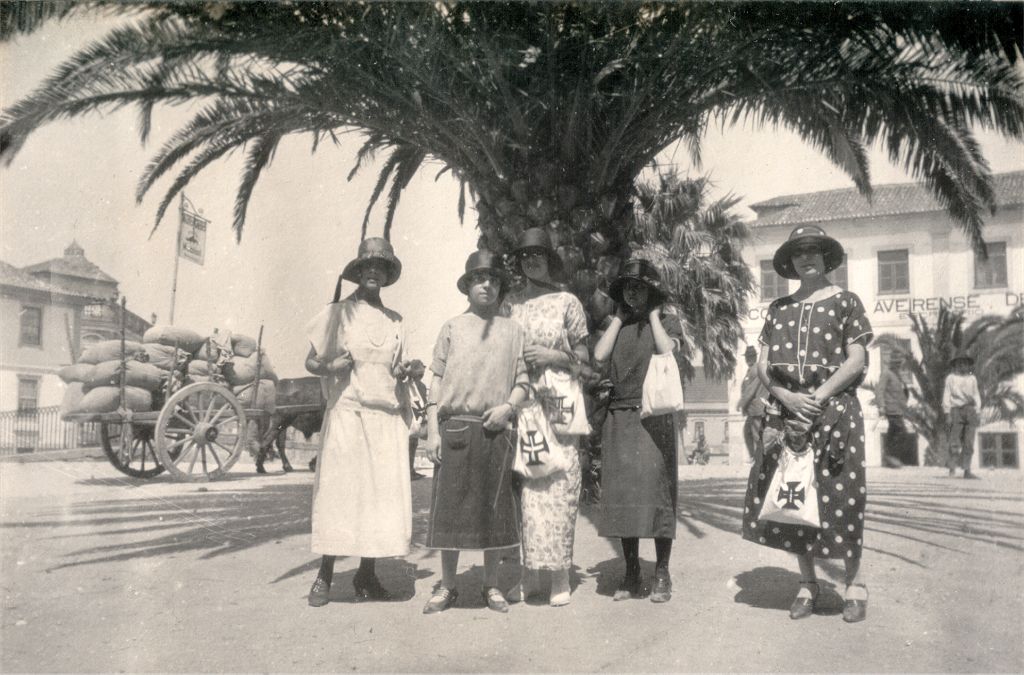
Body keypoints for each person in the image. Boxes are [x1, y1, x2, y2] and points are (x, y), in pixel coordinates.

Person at [741, 225, 873, 624]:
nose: (806, 258)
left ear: (826, 257)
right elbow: (763, 365)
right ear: (790, 262)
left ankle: (854, 584)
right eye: (798, 252)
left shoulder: (846, 302)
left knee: (841, 496)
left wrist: (818, 396)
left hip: (835, 414)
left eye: (814, 250)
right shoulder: (779, 308)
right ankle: (807, 583)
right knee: (793, 496)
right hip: (789, 414)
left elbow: (856, 359)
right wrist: (785, 397)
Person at [304, 237, 413, 607]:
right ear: (358, 271)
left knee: (379, 499)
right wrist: (331, 365)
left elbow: (397, 367)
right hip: (348, 414)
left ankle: (366, 576)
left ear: (387, 275)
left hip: (385, 417)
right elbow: (311, 361)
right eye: (368, 266)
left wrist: (406, 370)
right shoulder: (337, 313)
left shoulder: (396, 321)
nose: (374, 272)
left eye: (381, 267)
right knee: (339, 495)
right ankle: (324, 576)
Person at [421, 249, 531, 614]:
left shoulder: (513, 331)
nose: (487, 285)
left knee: (494, 514)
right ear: (468, 286)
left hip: (496, 429)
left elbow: (523, 382)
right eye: (479, 279)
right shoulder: (452, 327)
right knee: (450, 513)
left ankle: (491, 585)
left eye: (494, 280)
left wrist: (508, 408)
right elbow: (435, 380)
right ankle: (448, 586)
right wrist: (433, 431)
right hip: (455, 427)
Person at [504, 227, 590, 607]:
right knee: (529, 485)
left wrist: (554, 356)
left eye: (537, 254)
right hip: (525, 403)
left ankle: (559, 576)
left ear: (549, 259)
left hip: (559, 404)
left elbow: (585, 360)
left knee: (561, 483)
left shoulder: (567, 302)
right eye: (525, 256)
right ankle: (528, 576)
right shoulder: (511, 305)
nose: (531, 261)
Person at [592, 258, 684, 603]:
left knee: (658, 495)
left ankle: (661, 572)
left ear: (652, 292)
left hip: (653, 419)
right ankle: (632, 572)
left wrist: (655, 315)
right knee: (623, 497)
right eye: (628, 288)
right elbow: (600, 355)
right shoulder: (619, 324)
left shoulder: (667, 322)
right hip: (619, 417)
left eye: (640, 287)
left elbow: (666, 350)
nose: (633, 293)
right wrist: (618, 317)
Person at [943, 352, 982, 479]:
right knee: (954, 441)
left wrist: (978, 410)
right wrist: (947, 413)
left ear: (969, 365)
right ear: (955, 365)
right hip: (956, 411)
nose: (962, 366)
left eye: (965, 363)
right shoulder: (951, 378)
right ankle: (952, 469)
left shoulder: (972, 379)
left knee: (969, 442)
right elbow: (947, 395)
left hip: (970, 410)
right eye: (959, 363)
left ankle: (967, 470)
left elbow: (976, 394)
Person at [876, 353, 911, 467]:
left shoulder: (898, 376)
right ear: (891, 363)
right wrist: (881, 406)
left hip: (899, 409)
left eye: (899, 363)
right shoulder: (886, 373)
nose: (898, 365)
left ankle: (890, 457)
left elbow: (903, 394)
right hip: (891, 408)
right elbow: (879, 390)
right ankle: (891, 456)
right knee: (901, 432)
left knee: (893, 432)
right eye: (896, 363)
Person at [737, 345, 769, 463]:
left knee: (756, 434)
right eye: (747, 357)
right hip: (754, 408)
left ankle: (760, 459)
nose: (748, 359)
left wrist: (741, 403)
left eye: (750, 357)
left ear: (754, 357)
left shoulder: (755, 370)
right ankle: (755, 457)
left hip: (756, 408)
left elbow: (750, 390)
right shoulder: (752, 369)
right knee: (748, 432)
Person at [406, 359, 429, 480]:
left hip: (414, 420)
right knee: (410, 445)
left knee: (412, 444)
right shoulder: (409, 385)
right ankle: (408, 470)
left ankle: (410, 470)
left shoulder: (420, 386)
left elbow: (423, 403)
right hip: (411, 419)